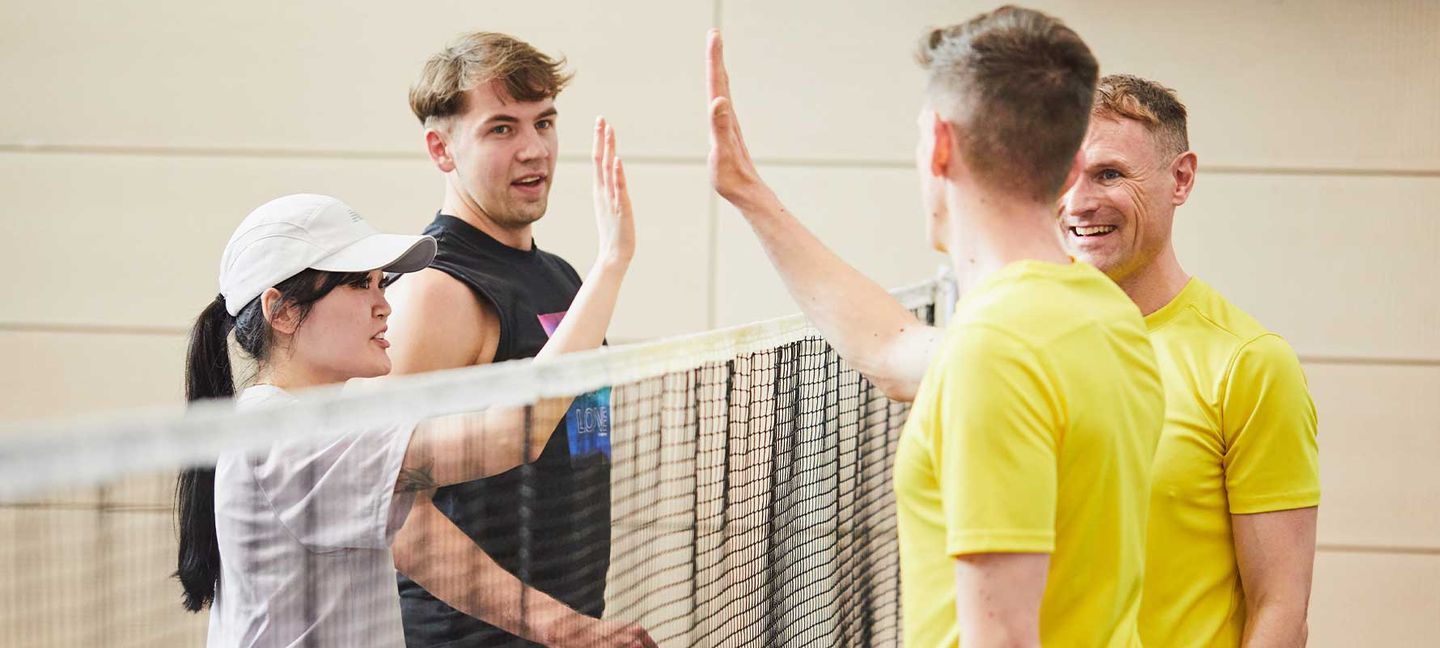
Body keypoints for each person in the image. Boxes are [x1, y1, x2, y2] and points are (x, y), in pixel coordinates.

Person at [707, 6, 1165, 646]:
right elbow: (893, 350)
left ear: (941, 145)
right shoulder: (1103, 313)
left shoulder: (994, 351)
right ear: (1068, 172)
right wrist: (748, 193)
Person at [174, 192, 651, 644]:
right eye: (357, 284)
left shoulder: (321, 428)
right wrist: (612, 262)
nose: (384, 304)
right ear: (281, 311)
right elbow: (511, 436)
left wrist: (562, 626)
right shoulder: (288, 438)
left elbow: (423, 541)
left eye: (380, 282)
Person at [382, 32, 640, 647]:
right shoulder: (436, 290)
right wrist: (557, 624)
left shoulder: (561, 278)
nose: (535, 150)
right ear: (441, 149)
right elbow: (390, 508)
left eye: (543, 122)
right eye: (502, 129)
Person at [1061, 74, 1319, 646]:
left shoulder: (1249, 364)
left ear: (1180, 179)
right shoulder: (1025, 342)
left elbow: (1281, 609)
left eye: (1109, 174)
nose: (1078, 202)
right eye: (1064, 173)